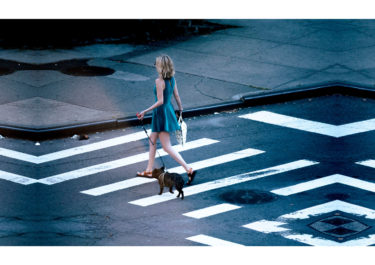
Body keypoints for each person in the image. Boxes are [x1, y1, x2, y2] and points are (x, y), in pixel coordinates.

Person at [136, 55, 196, 185]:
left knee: (166, 147)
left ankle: (188, 169)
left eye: (156, 64)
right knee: (152, 139)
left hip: (161, 113)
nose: (155, 66)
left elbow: (160, 101)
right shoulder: (172, 80)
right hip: (168, 110)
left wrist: (145, 111)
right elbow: (177, 96)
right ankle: (148, 170)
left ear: (161, 67)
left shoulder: (159, 81)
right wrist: (180, 110)